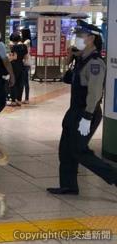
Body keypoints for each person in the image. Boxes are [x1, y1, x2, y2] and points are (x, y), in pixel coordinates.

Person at [47, 20, 117, 195]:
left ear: (91, 38)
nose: (76, 38)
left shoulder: (95, 63)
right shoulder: (80, 59)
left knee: (79, 151)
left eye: (80, 35)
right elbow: (67, 79)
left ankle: (114, 177)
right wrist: (68, 60)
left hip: (87, 112)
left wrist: (87, 117)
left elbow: (94, 94)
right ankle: (69, 185)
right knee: (65, 150)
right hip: (74, 110)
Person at [9, 33, 28, 106]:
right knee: (20, 83)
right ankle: (19, 100)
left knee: (13, 82)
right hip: (22, 65)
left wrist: (9, 58)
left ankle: (13, 100)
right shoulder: (24, 46)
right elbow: (26, 57)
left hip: (14, 65)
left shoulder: (14, 47)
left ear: (14, 40)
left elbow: (15, 57)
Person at [21, 28, 32, 104]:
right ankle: (22, 97)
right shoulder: (25, 41)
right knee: (23, 81)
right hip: (23, 62)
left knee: (25, 81)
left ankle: (27, 98)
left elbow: (24, 49)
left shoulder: (27, 41)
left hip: (26, 62)